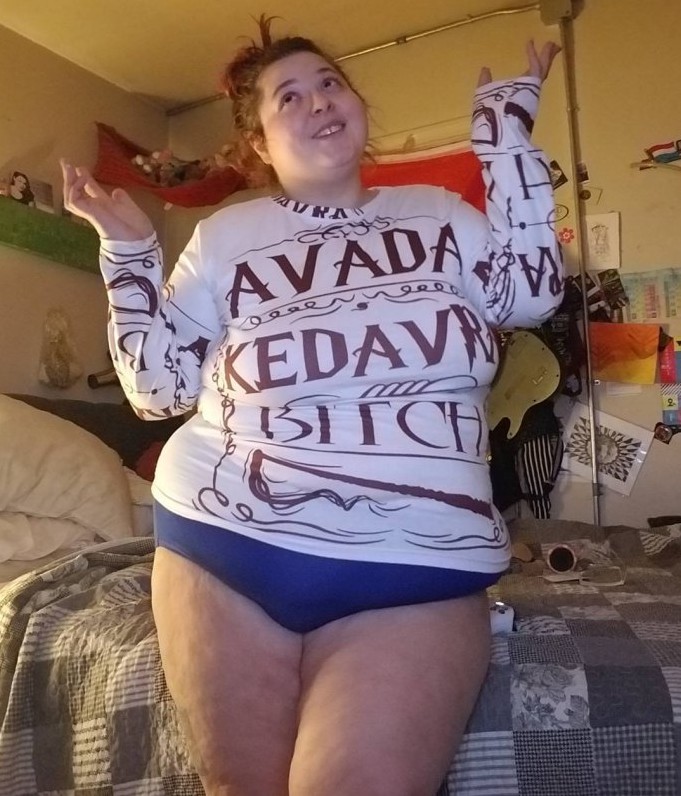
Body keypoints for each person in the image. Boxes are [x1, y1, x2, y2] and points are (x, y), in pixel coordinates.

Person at [62, 18, 562, 796]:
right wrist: (127, 253)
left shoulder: (438, 215)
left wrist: (504, 140)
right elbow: (158, 389)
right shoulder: (225, 237)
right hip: (225, 545)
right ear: (258, 143)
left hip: (414, 563)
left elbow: (530, 293)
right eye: (288, 97)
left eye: (330, 82)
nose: (318, 100)